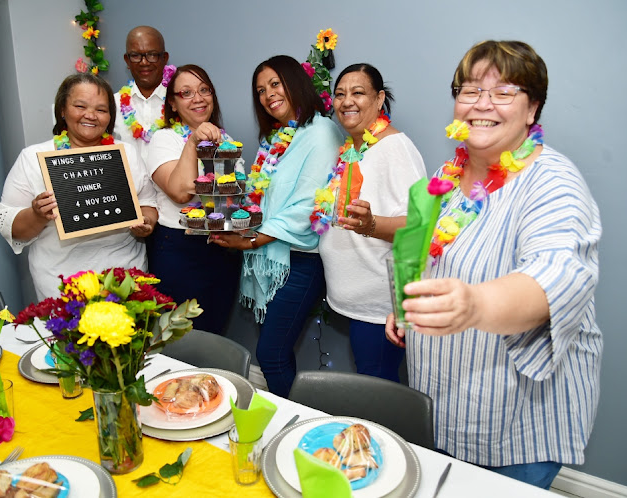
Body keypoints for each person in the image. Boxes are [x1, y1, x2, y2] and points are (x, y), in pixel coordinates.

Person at [385, 40, 602, 489]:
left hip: (515, 420)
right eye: (469, 91)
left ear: (532, 109)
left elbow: (559, 274)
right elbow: (434, 259)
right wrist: (415, 304)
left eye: (503, 92)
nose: (482, 104)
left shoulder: (553, 182)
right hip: (442, 398)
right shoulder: (446, 179)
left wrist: (474, 304)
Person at [211, 55, 342, 397]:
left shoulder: (321, 131)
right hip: (275, 255)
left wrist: (251, 242)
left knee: (270, 353)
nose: (267, 94)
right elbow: (261, 197)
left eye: (274, 84)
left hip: (301, 261)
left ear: (295, 82)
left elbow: (308, 207)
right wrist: (231, 217)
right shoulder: (276, 139)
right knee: (274, 351)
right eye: (260, 90)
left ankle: (295, 421)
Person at [0, 73, 158, 300]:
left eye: (101, 109)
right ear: (62, 109)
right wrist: (37, 214)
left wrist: (146, 223)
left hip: (125, 275)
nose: (90, 115)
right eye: (80, 106)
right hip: (60, 283)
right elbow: (12, 227)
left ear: (110, 116)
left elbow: (148, 202)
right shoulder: (32, 158)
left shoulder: (126, 153)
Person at [316, 63, 426, 383]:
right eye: (339, 94)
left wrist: (371, 224)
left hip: (380, 312)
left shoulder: (395, 147)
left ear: (379, 100)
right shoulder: (354, 147)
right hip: (354, 303)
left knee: (376, 397)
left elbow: (419, 227)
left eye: (358, 93)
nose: (346, 101)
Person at [145, 65, 243, 335]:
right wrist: (192, 143)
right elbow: (180, 191)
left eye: (204, 90)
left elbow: (232, 197)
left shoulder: (226, 140)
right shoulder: (164, 140)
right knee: (180, 338)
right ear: (173, 105)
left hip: (221, 249)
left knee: (213, 333)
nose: (198, 98)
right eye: (186, 93)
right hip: (181, 250)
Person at [113, 26, 170, 163]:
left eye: (152, 55)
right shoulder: (110, 105)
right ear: (127, 60)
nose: (144, 62)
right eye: (136, 56)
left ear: (164, 58)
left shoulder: (179, 102)